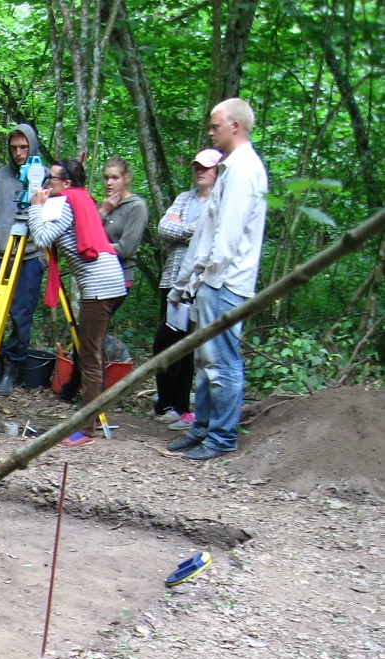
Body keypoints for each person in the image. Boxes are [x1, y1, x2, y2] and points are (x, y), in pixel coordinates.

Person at [167, 98, 269, 462]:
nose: (210, 132)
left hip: (225, 284)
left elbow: (226, 236)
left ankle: (221, 438)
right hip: (212, 283)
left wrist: (208, 278)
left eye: (215, 126)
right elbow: (207, 232)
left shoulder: (244, 171)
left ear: (235, 126)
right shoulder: (230, 169)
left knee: (222, 363)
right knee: (206, 361)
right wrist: (188, 282)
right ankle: (202, 429)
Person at [28, 158, 128, 448]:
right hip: (109, 280)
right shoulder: (79, 199)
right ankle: (90, 418)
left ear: (67, 184)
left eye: (53, 180)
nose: (48, 184)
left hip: (100, 286)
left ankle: (86, 429)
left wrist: (36, 206)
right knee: (91, 354)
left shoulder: (65, 201)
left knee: (90, 357)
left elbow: (43, 236)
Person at [151, 149, 221, 426]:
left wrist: (184, 228)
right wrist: (192, 228)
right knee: (164, 343)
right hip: (171, 280)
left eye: (206, 168)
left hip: (197, 283)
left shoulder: (219, 201)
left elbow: (211, 234)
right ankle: (165, 402)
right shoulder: (184, 198)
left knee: (187, 345)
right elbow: (163, 229)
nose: (200, 172)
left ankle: (179, 406)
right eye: (197, 167)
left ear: (217, 171)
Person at [0, 124, 46, 396]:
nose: (18, 153)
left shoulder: (46, 178)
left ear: (32, 147)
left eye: (24, 147)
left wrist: (41, 256)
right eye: (14, 147)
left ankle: (11, 370)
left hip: (28, 257)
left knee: (19, 317)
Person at [99, 156, 149, 289]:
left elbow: (125, 249)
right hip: (96, 274)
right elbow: (85, 235)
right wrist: (103, 211)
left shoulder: (136, 207)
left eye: (115, 178)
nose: (109, 183)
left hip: (120, 275)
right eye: (106, 177)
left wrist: (94, 248)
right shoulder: (101, 206)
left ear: (126, 179)